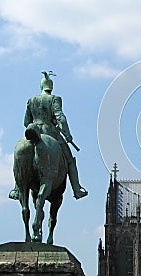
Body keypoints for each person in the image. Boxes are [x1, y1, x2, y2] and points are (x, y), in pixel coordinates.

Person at [9, 71, 88, 200]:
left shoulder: (31, 100)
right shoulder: (55, 99)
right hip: (51, 132)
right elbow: (60, 118)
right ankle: (77, 189)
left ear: (41, 87)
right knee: (69, 161)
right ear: (51, 88)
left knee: (20, 159)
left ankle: (17, 189)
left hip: (33, 131)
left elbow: (25, 122)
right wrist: (68, 135)